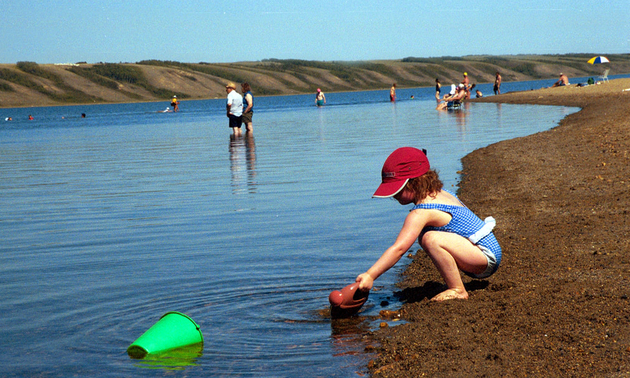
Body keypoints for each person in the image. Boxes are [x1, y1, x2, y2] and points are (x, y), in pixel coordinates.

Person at [356, 147, 501, 301]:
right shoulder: (441, 193)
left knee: (429, 238)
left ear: (413, 183)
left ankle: (458, 289)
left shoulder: (421, 212)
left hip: (484, 257)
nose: (394, 196)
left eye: (397, 190)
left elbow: (399, 249)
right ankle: (456, 285)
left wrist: (370, 275)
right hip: (488, 250)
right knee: (428, 236)